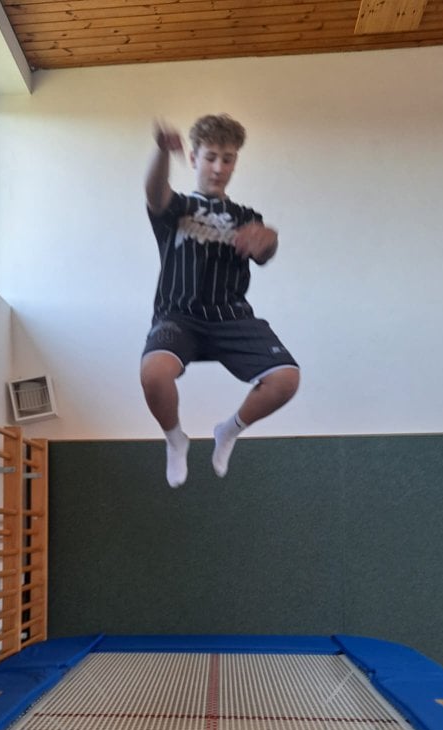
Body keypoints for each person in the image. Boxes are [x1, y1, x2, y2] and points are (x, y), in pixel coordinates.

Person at [141, 113, 300, 487]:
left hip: (231, 317)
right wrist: (162, 152)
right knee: (154, 374)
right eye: (210, 157)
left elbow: (264, 249)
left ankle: (228, 430)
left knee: (286, 379)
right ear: (194, 158)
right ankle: (175, 439)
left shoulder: (246, 217)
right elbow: (154, 192)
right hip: (179, 315)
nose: (218, 167)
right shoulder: (178, 208)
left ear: (235, 163)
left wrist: (270, 238)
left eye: (227, 159)